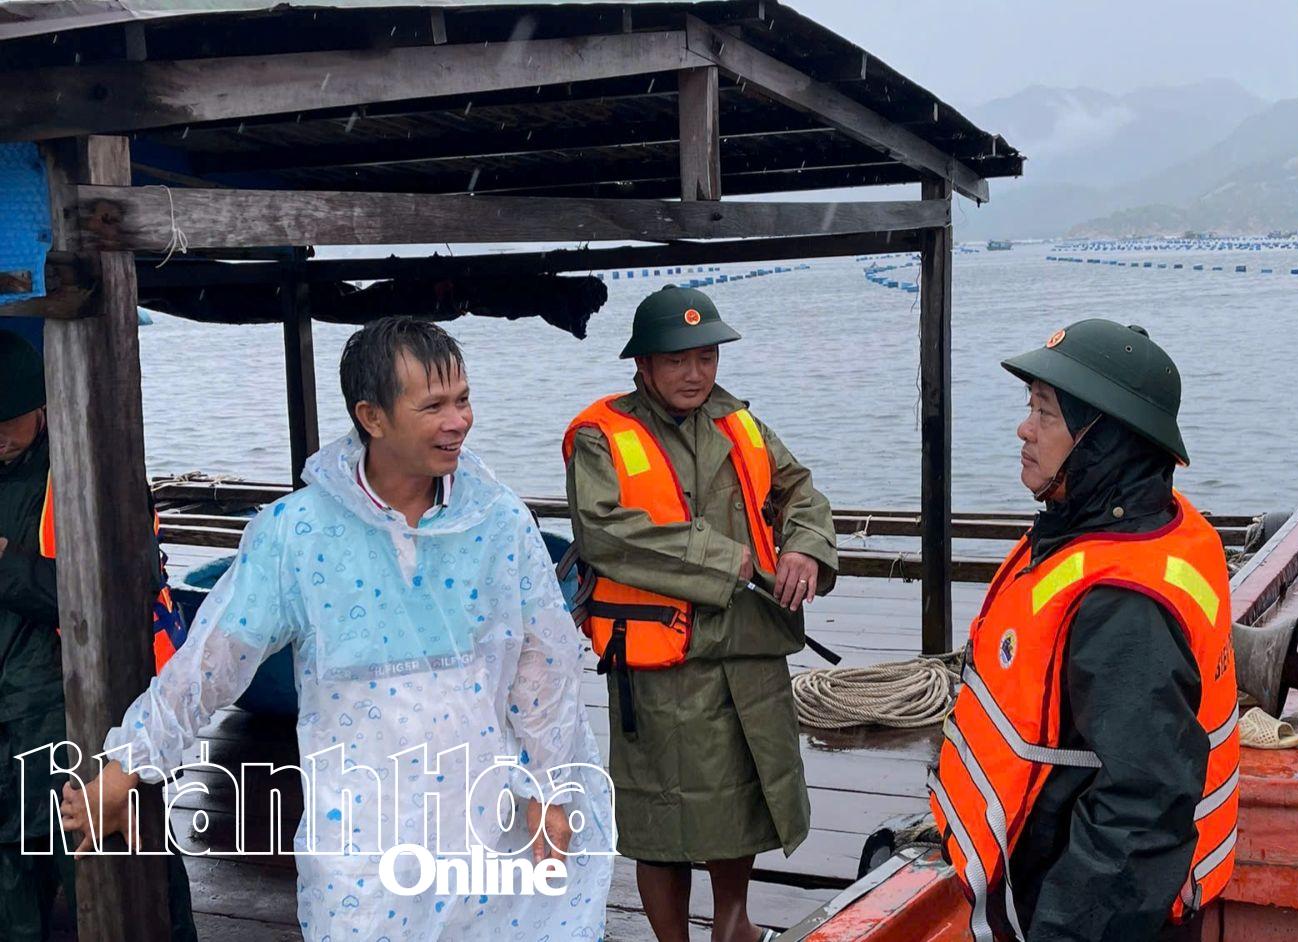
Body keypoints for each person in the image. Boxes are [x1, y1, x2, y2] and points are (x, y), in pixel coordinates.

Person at [60, 317, 612, 939]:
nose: (457, 421)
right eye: (433, 405)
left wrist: (551, 787)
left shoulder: (498, 520)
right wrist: (129, 764)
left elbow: (544, 667)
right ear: (372, 417)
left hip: (489, 808)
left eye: (462, 400)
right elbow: (212, 659)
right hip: (362, 826)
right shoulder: (298, 533)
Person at [929, 320, 1240, 942]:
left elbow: (1141, 814)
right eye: (1030, 408)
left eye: (1045, 414)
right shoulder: (1139, 529)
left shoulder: (1123, 604)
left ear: (1105, 442)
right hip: (1046, 878)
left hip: (1080, 910)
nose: (1024, 429)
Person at [563, 286, 837, 942]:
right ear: (643, 366)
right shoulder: (602, 436)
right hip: (661, 660)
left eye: (706, 357)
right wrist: (722, 559)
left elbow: (799, 489)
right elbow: (606, 531)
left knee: (737, 802)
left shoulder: (739, 423)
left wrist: (804, 546)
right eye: (677, 361)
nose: (695, 374)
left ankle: (733, 921)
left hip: (746, 647)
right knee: (662, 819)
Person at [0, 329, 196, 940]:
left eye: (7, 421)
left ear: (42, 407)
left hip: (70, 718)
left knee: (128, 879)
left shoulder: (91, 470)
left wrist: (8, 567)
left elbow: (120, 591)